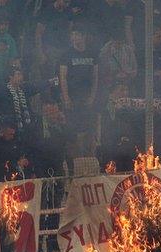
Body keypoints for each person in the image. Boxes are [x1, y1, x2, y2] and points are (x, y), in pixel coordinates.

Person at [59, 25, 99, 161]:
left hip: (87, 98)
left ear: (84, 36)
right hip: (72, 97)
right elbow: (62, 77)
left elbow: (95, 77)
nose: (75, 38)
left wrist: (92, 97)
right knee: (73, 132)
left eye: (78, 35)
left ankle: (90, 160)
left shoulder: (92, 53)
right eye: (73, 35)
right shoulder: (66, 54)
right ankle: (75, 162)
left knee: (89, 131)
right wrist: (66, 98)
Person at [0, 119, 33, 183]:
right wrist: (17, 163)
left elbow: (18, 155)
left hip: (11, 181)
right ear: (2, 132)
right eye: (10, 134)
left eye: (13, 134)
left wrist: (23, 161)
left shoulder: (13, 144)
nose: (12, 137)